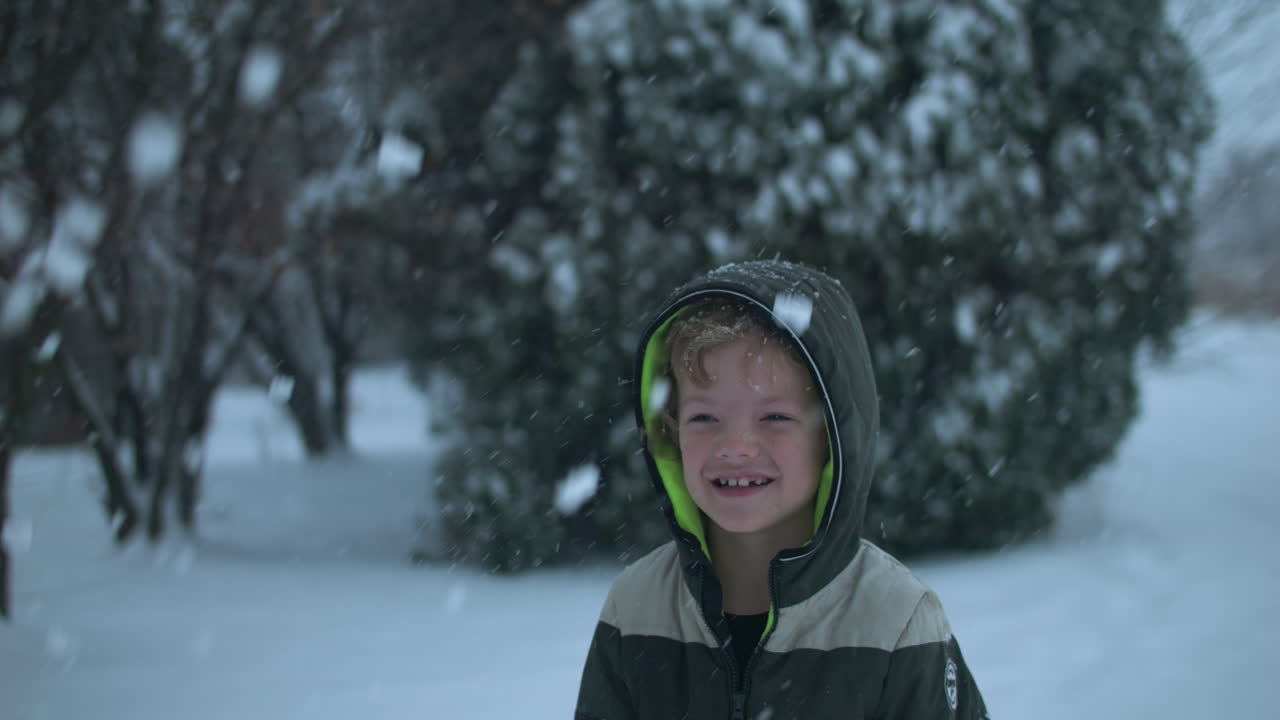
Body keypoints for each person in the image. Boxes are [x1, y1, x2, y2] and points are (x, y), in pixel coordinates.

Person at [575, 259, 989, 720]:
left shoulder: (895, 620)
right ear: (672, 432)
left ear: (832, 436)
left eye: (775, 417)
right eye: (704, 417)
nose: (735, 446)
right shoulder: (635, 610)